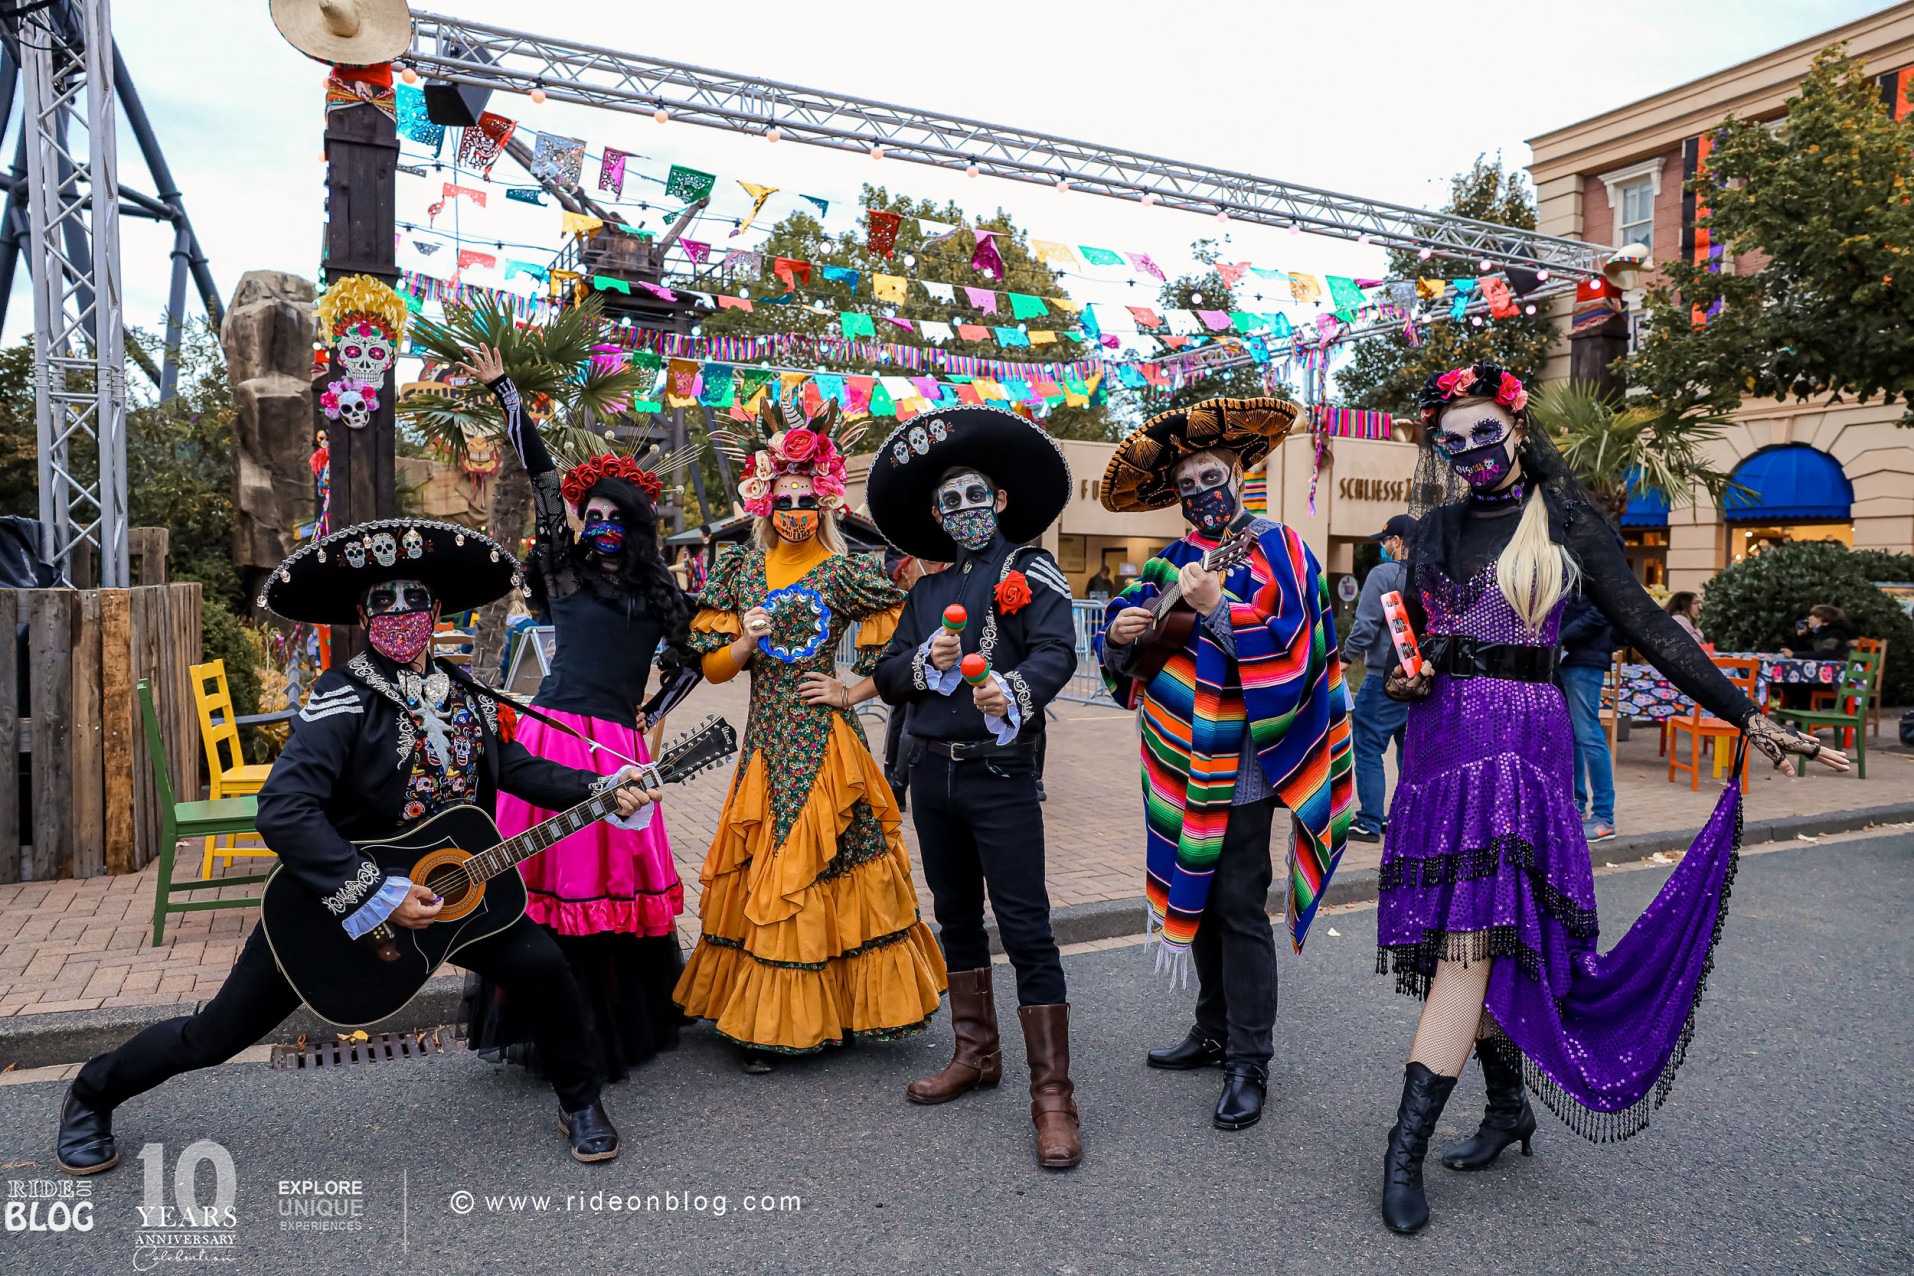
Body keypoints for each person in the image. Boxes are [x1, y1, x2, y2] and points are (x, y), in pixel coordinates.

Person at [1372, 363, 1847, 1235]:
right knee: (1478, 938)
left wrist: (1747, 714)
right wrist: (1405, 678)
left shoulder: (1566, 521)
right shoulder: (1434, 530)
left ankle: (1401, 1155)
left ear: (1517, 428)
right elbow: (1410, 644)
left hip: (1520, 750)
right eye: (1454, 439)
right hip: (1441, 749)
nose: (1473, 450)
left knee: (1468, 946)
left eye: (1486, 431)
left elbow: (1650, 625)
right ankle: (1508, 1108)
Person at [55, 520, 664, 1175]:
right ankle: (91, 1093)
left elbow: (514, 767)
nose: (400, 613)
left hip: (453, 890)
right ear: (362, 613)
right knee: (215, 1034)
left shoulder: (465, 691)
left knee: (545, 968)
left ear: (437, 609)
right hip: (337, 904)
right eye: (383, 601)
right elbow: (284, 809)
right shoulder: (342, 697)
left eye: (414, 599)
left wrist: (599, 787)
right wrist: (376, 892)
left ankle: (580, 1100)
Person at [448, 346, 704, 1086]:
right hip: (552, 739)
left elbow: (692, 661)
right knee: (546, 888)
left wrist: (654, 711)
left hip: (619, 747)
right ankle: (551, 1027)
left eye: (614, 516)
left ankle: (610, 1027)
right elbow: (543, 479)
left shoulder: (661, 595)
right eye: (591, 515)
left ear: (637, 523)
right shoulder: (564, 576)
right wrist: (507, 394)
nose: (600, 524)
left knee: (613, 889)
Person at [1097, 397, 1352, 1132]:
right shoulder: (1170, 560)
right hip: (1176, 759)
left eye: (1211, 478)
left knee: (1238, 905)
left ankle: (1249, 1059)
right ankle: (1211, 1030)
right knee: (1202, 898)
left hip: (1243, 759)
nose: (1202, 493)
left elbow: (1297, 649)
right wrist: (1119, 632)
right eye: (1187, 486)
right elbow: (1129, 651)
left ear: (1240, 473)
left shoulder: (1279, 547)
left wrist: (1216, 608)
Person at [672, 397, 947, 1071]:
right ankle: (769, 1014)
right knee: (774, 867)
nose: (794, 511)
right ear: (765, 503)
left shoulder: (849, 570)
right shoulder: (740, 571)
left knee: (827, 865)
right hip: (766, 742)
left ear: (823, 503)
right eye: (783, 499)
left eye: (805, 500)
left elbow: (899, 648)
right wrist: (744, 642)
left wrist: (849, 691)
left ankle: (838, 1009)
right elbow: (711, 668)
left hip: (826, 742)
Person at [867, 405, 1083, 1169]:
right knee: (955, 917)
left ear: (999, 501)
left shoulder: (1031, 571)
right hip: (933, 775)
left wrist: (1014, 689)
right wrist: (921, 660)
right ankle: (975, 1053)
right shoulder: (926, 592)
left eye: (974, 497)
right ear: (935, 515)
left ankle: (1052, 1097)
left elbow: (1057, 651)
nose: (963, 510)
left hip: (1000, 774)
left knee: (1026, 928)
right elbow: (887, 677)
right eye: (948, 502)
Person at [1340, 514, 1417, 843]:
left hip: (1384, 677)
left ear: (1397, 542)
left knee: (1368, 746)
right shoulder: (1431, 576)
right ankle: (1404, 819)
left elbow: (1366, 625)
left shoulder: (1383, 575)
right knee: (1409, 754)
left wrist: (1346, 658)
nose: (1382, 547)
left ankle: (1370, 820)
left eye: (1385, 541)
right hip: (1421, 679)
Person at [1556, 591, 1617, 841]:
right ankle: (1578, 808)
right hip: (1571, 658)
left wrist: (1560, 637)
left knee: (1588, 735)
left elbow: (1602, 610)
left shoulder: (1596, 572)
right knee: (1574, 736)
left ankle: (1604, 817)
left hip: (1582, 658)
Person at [1780, 604, 1856, 659]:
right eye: (1811, 615)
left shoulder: (1835, 633)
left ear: (1825, 622)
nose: (1809, 618)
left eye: (1815, 616)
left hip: (1845, 671)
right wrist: (1801, 636)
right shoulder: (1819, 632)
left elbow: (1827, 655)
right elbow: (1806, 651)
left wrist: (1794, 654)